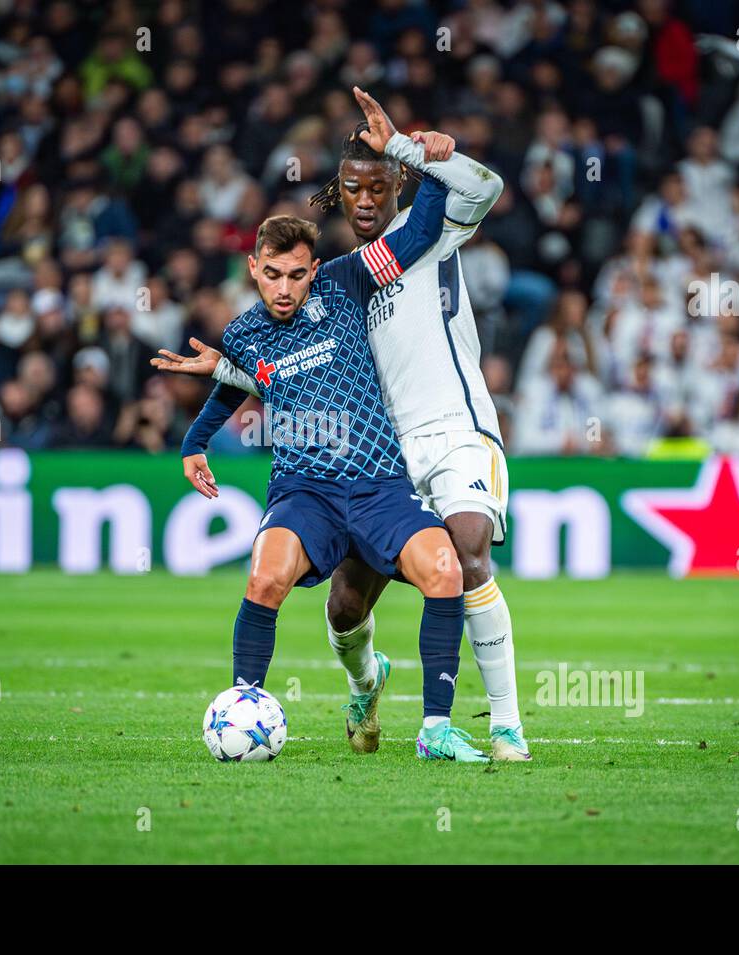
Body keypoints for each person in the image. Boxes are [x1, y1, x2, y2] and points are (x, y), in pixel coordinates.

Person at [157, 89, 530, 760]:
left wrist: (418, 150)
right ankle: (365, 680)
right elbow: (287, 371)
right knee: (345, 610)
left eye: (375, 185)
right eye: (350, 188)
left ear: (395, 184)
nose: (362, 199)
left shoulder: (420, 229)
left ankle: (500, 726)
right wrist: (220, 386)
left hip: (449, 432)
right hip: (374, 454)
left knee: (466, 555)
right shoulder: (324, 283)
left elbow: (486, 186)